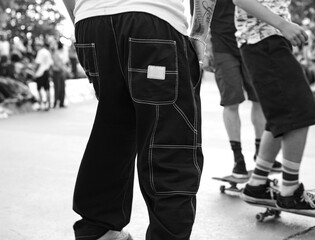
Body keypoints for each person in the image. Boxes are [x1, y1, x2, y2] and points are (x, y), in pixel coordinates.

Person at [61, 0, 216, 239]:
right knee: (169, 139)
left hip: (89, 24)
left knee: (114, 128)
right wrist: (199, 34)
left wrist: (85, 21)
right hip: (151, 19)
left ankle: (98, 230)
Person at [232, 0, 315, 214]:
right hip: (263, 39)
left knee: (281, 115)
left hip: (265, 40)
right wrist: (283, 24)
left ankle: (257, 184)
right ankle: (289, 191)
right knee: (300, 111)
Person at [208, 0, 281, 178]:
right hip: (222, 45)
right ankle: (238, 158)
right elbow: (201, 15)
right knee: (231, 101)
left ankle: (260, 152)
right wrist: (205, 45)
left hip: (250, 40)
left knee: (259, 99)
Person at [34, 42, 53, 111]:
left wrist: (34, 71)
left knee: (39, 89)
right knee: (47, 88)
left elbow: (38, 63)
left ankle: (41, 104)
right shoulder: (47, 52)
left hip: (40, 72)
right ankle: (48, 104)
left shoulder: (40, 52)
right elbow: (51, 63)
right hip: (46, 71)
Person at [51, 41, 67, 108]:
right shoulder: (55, 53)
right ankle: (55, 103)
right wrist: (64, 69)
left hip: (61, 72)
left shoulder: (61, 52)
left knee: (62, 87)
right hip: (57, 72)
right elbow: (57, 63)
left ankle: (61, 103)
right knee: (57, 87)